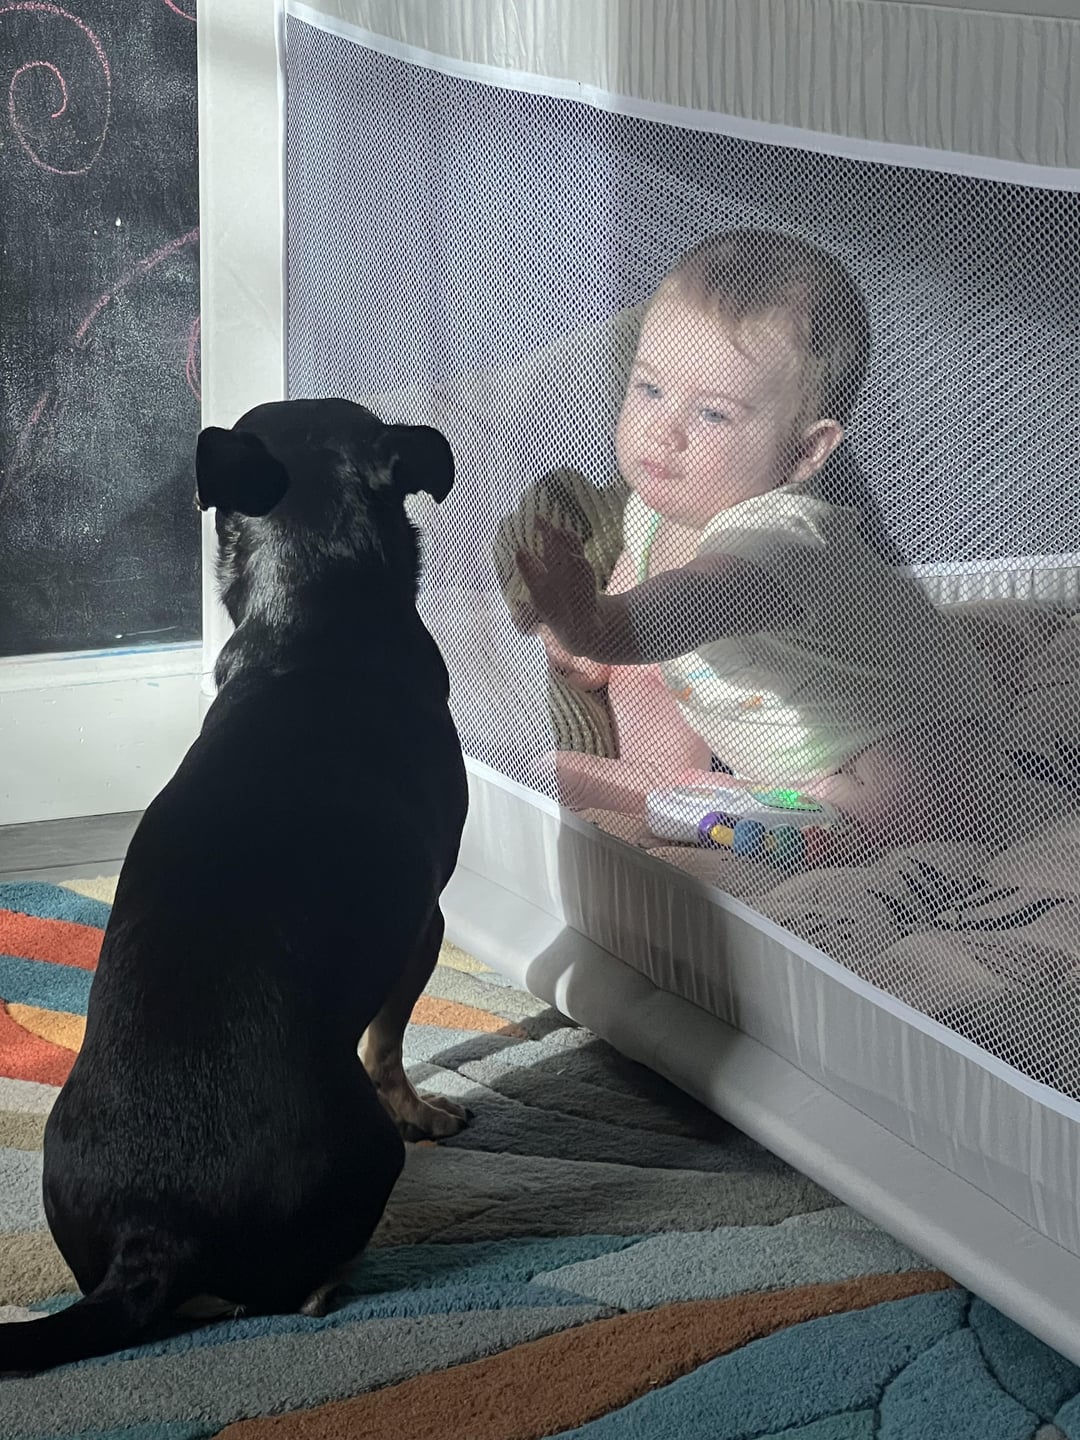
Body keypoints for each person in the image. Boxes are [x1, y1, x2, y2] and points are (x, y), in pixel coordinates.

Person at [513, 229, 992, 848]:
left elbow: (690, 598)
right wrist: (595, 641)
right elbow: (642, 574)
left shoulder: (781, 542)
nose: (664, 432)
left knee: (877, 810)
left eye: (712, 413)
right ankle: (664, 785)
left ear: (805, 451)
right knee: (641, 670)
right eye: (650, 388)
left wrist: (592, 625)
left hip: (884, 763)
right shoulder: (661, 504)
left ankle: (663, 798)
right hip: (758, 733)